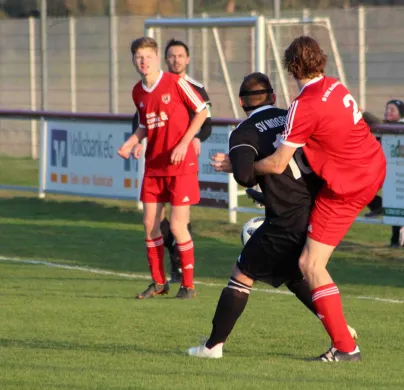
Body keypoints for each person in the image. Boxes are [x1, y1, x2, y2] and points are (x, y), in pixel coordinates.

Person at [187, 73, 357, 359]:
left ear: (241, 102)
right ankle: (341, 329)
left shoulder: (244, 132)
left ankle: (213, 346)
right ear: (274, 97)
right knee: (295, 275)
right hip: (316, 208)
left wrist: (235, 165)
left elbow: (243, 175)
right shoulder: (291, 116)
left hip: (285, 219)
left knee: (241, 274)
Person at [252, 36, 386, 362]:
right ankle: (343, 338)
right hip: (372, 167)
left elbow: (278, 163)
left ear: (291, 67)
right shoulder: (334, 86)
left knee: (310, 264)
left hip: (347, 187)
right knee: (308, 253)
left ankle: (345, 346)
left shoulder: (304, 105)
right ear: (321, 60)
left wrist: (242, 167)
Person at [117, 37, 208, 299]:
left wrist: (184, 143)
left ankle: (188, 285)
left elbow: (202, 111)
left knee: (179, 226)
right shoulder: (137, 92)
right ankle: (158, 282)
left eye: (147, 56)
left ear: (157, 58)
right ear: (134, 61)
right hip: (154, 167)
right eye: (138, 58)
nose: (143, 62)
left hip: (181, 165)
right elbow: (146, 124)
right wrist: (132, 142)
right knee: (149, 224)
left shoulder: (176, 82)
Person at [364, 100, 404, 249]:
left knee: (401, 207)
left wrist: (363, 114)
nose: (388, 112)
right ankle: (378, 206)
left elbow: (388, 127)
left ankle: (401, 243)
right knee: (364, 187)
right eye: (386, 109)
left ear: (401, 113)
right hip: (387, 169)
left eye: (392, 109)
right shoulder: (382, 126)